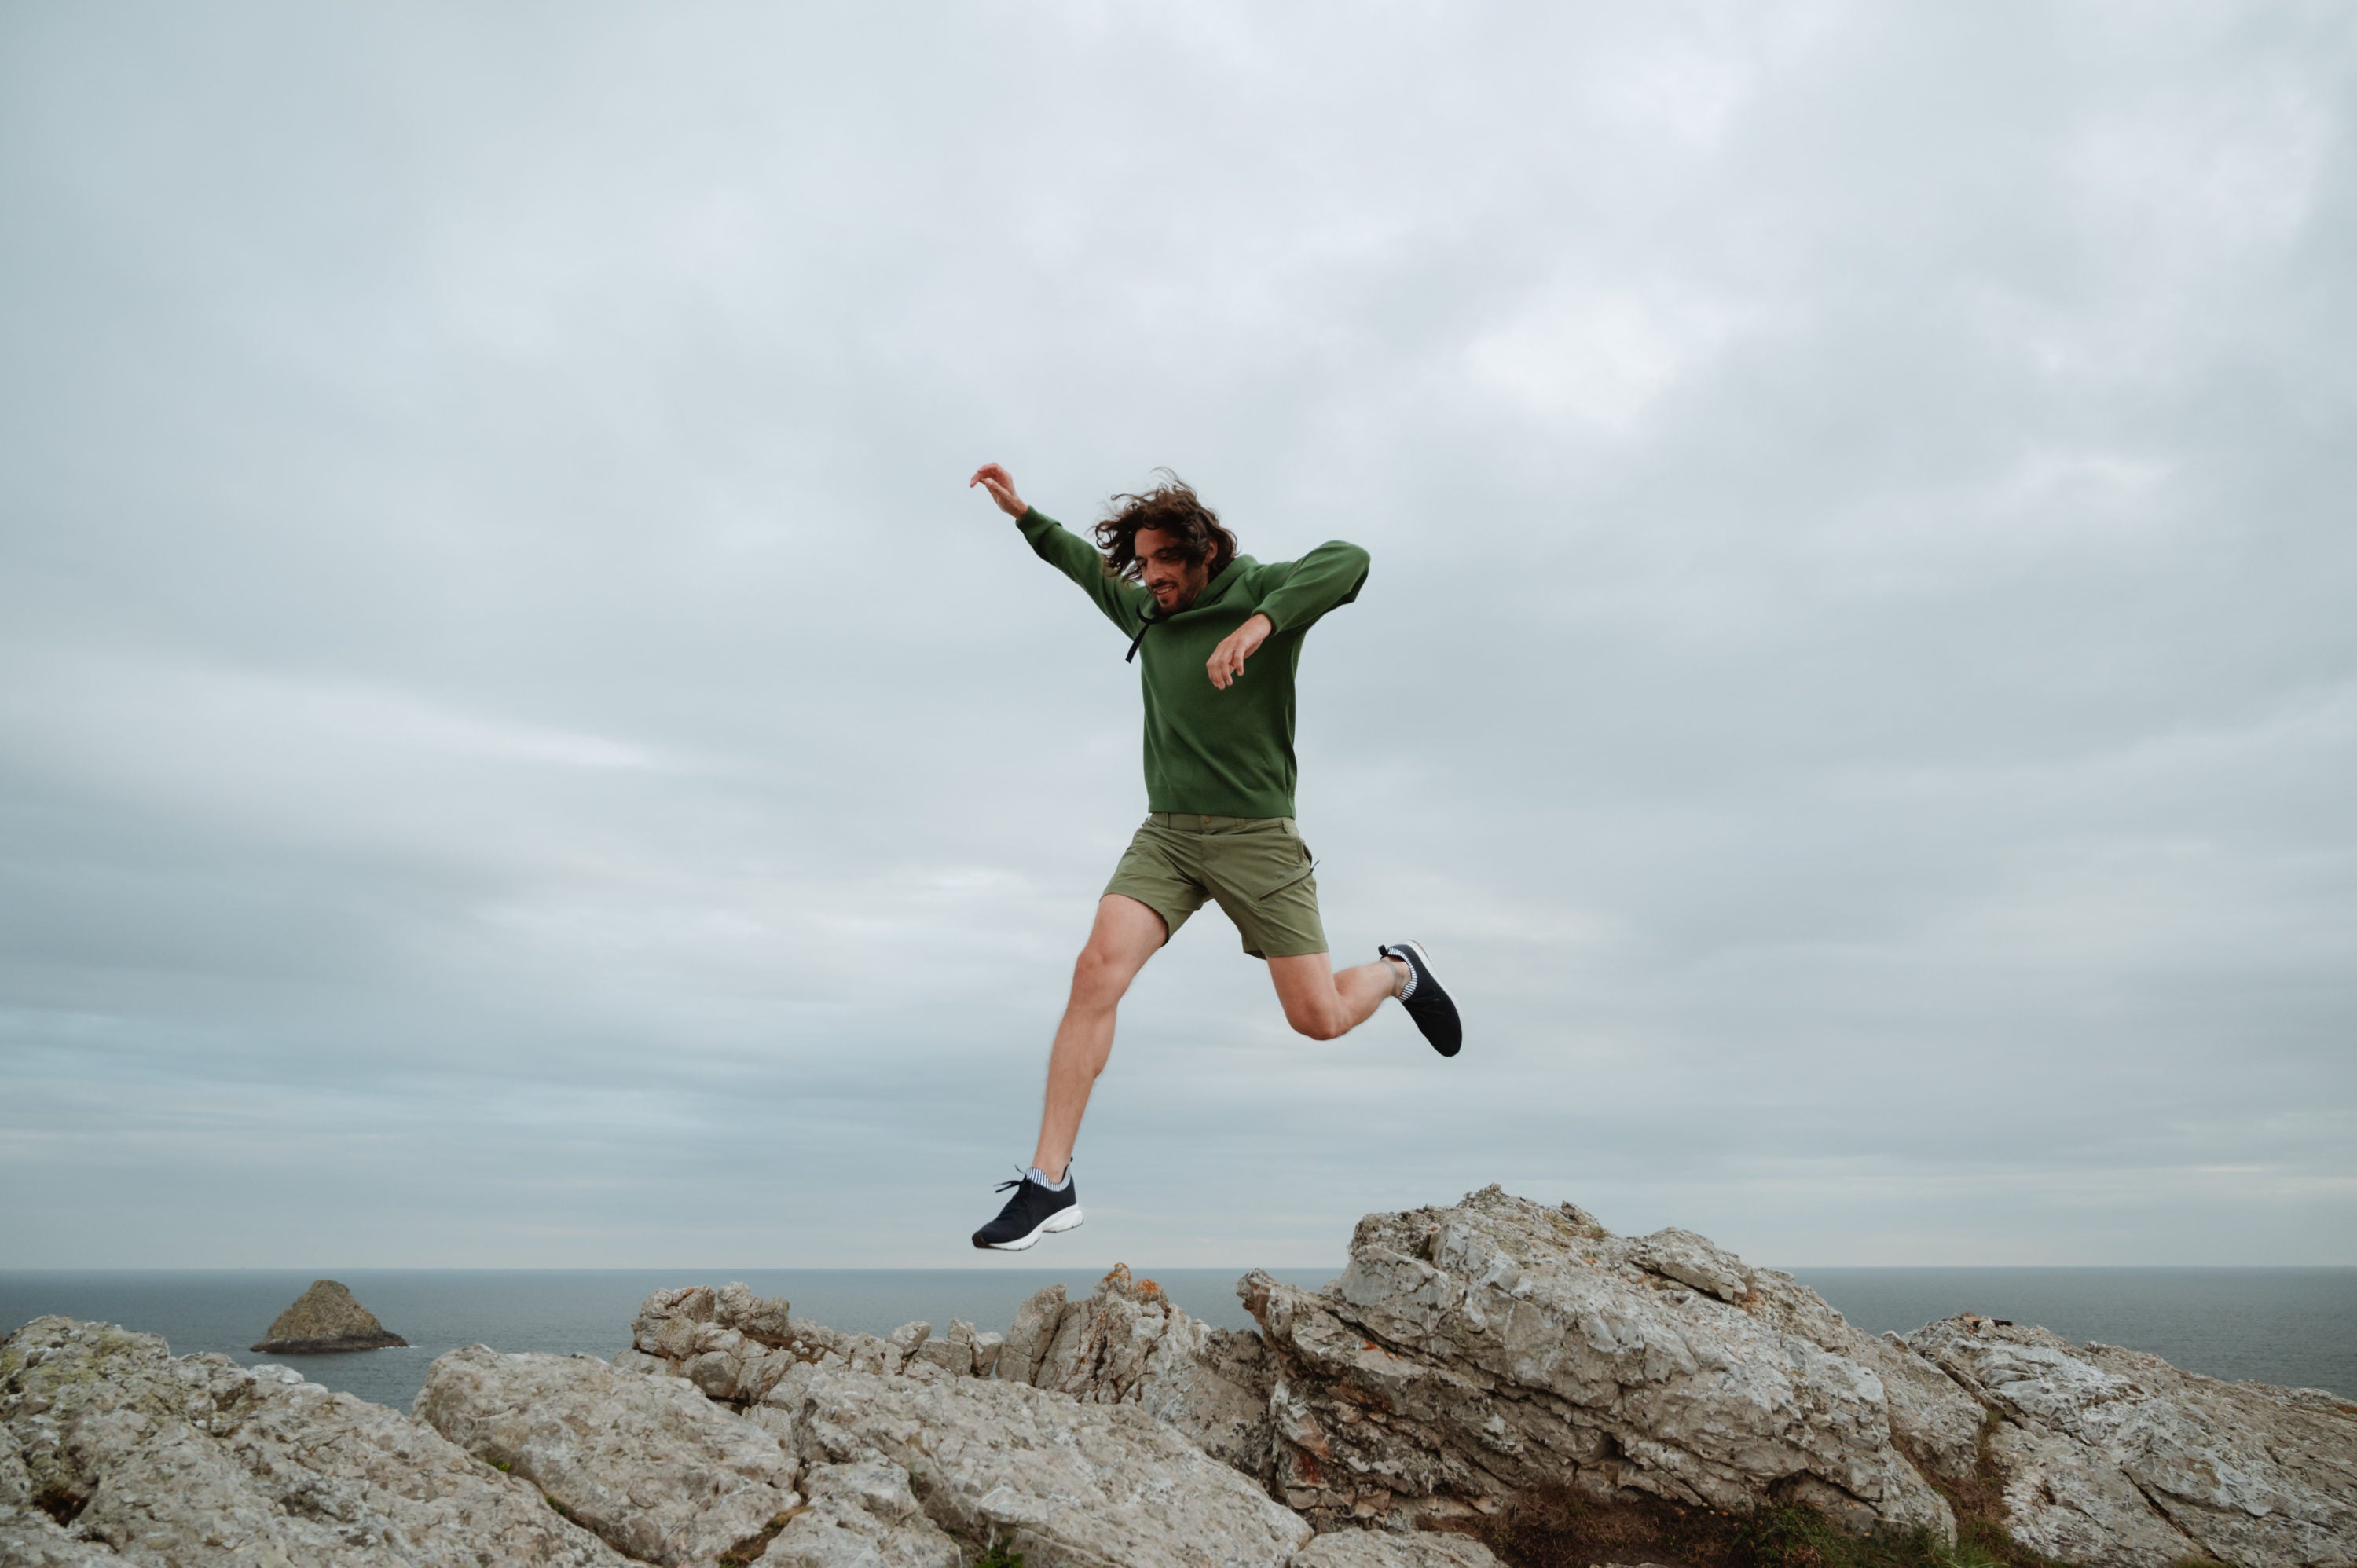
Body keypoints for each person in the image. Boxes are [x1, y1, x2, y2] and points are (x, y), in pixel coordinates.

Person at [964, 464, 1462, 1251]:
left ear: (1205, 555)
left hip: (1257, 835)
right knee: (1095, 970)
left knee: (1318, 1018)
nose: (1154, 576)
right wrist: (1023, 513)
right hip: (1167, 835)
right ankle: (1048, 1183)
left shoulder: (1261, 589)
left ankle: (1401, 970)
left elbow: (1349, 557)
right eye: (1145, 561)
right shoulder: (1143, 610)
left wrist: (1261, 624)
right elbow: (1073, 559)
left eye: (1169, 560)